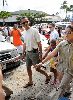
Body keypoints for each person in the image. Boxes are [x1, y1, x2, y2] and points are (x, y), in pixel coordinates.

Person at [35, 25, 73, 99]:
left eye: (69, 32)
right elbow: (52, 54)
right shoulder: (62, 44)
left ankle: (59, 97)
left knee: (61, 87)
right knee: (62, 81)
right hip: (62, 68)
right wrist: (41, 63)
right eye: (65, 32)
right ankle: (68, 91)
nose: (66, 34)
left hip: (70, 70)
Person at [21, 17, 51, 87]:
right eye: (23, 22)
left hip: (34, 53)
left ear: (28, 22)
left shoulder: (34, 31)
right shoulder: (24, 32)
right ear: (21, 24)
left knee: (37, 68)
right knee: (28, 67)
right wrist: (23, 53)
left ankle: (47, 75)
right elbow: (25, 44)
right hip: (28, 53)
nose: (25, 23)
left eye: (26, 21)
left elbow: (39, 43)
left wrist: (40, 54)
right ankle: (30, 81)